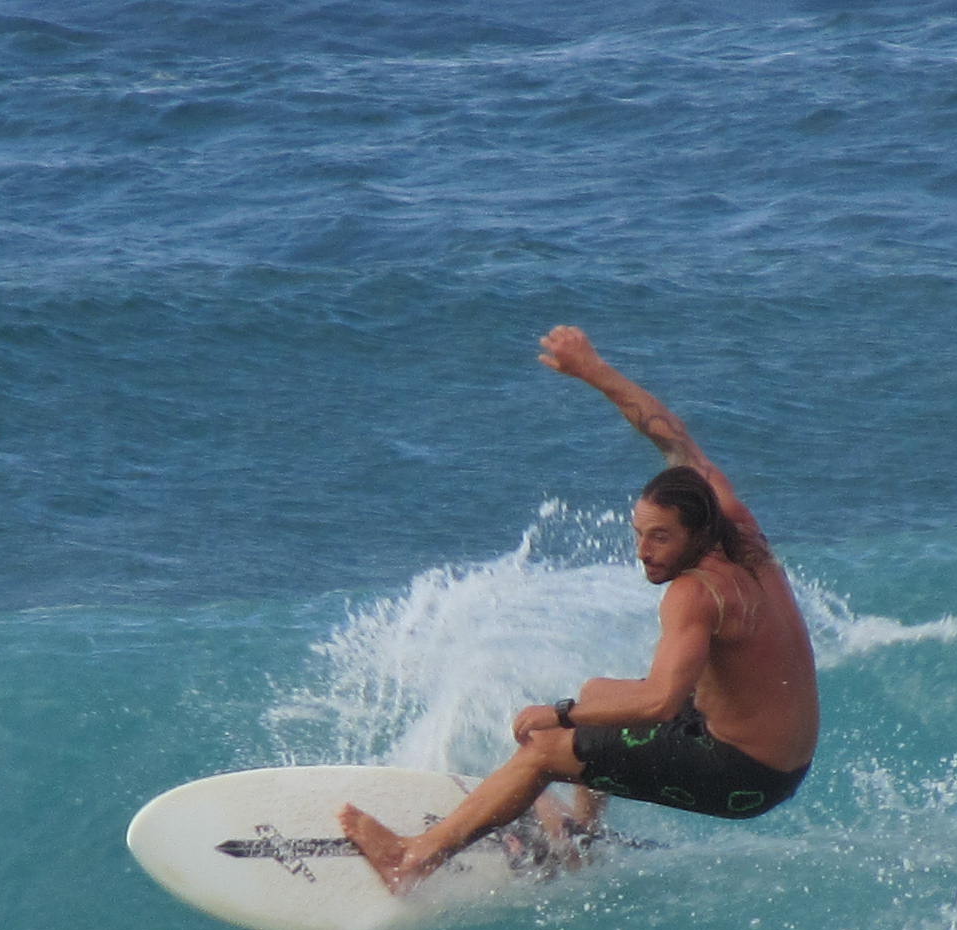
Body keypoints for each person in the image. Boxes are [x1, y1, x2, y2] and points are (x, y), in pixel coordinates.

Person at [339, 327, 821, 893]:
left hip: (745, 773)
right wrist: (591, 368)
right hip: (783, 755)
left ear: (696, 531)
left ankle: (411, 860)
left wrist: (559, 714)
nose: (643, 551)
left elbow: (660, 701)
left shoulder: (697, 593)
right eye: (640, 532)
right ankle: (582, 832)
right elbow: (671, 435)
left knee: (547, 745)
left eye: (661, 538)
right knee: (600, 694)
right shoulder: (734, 522)